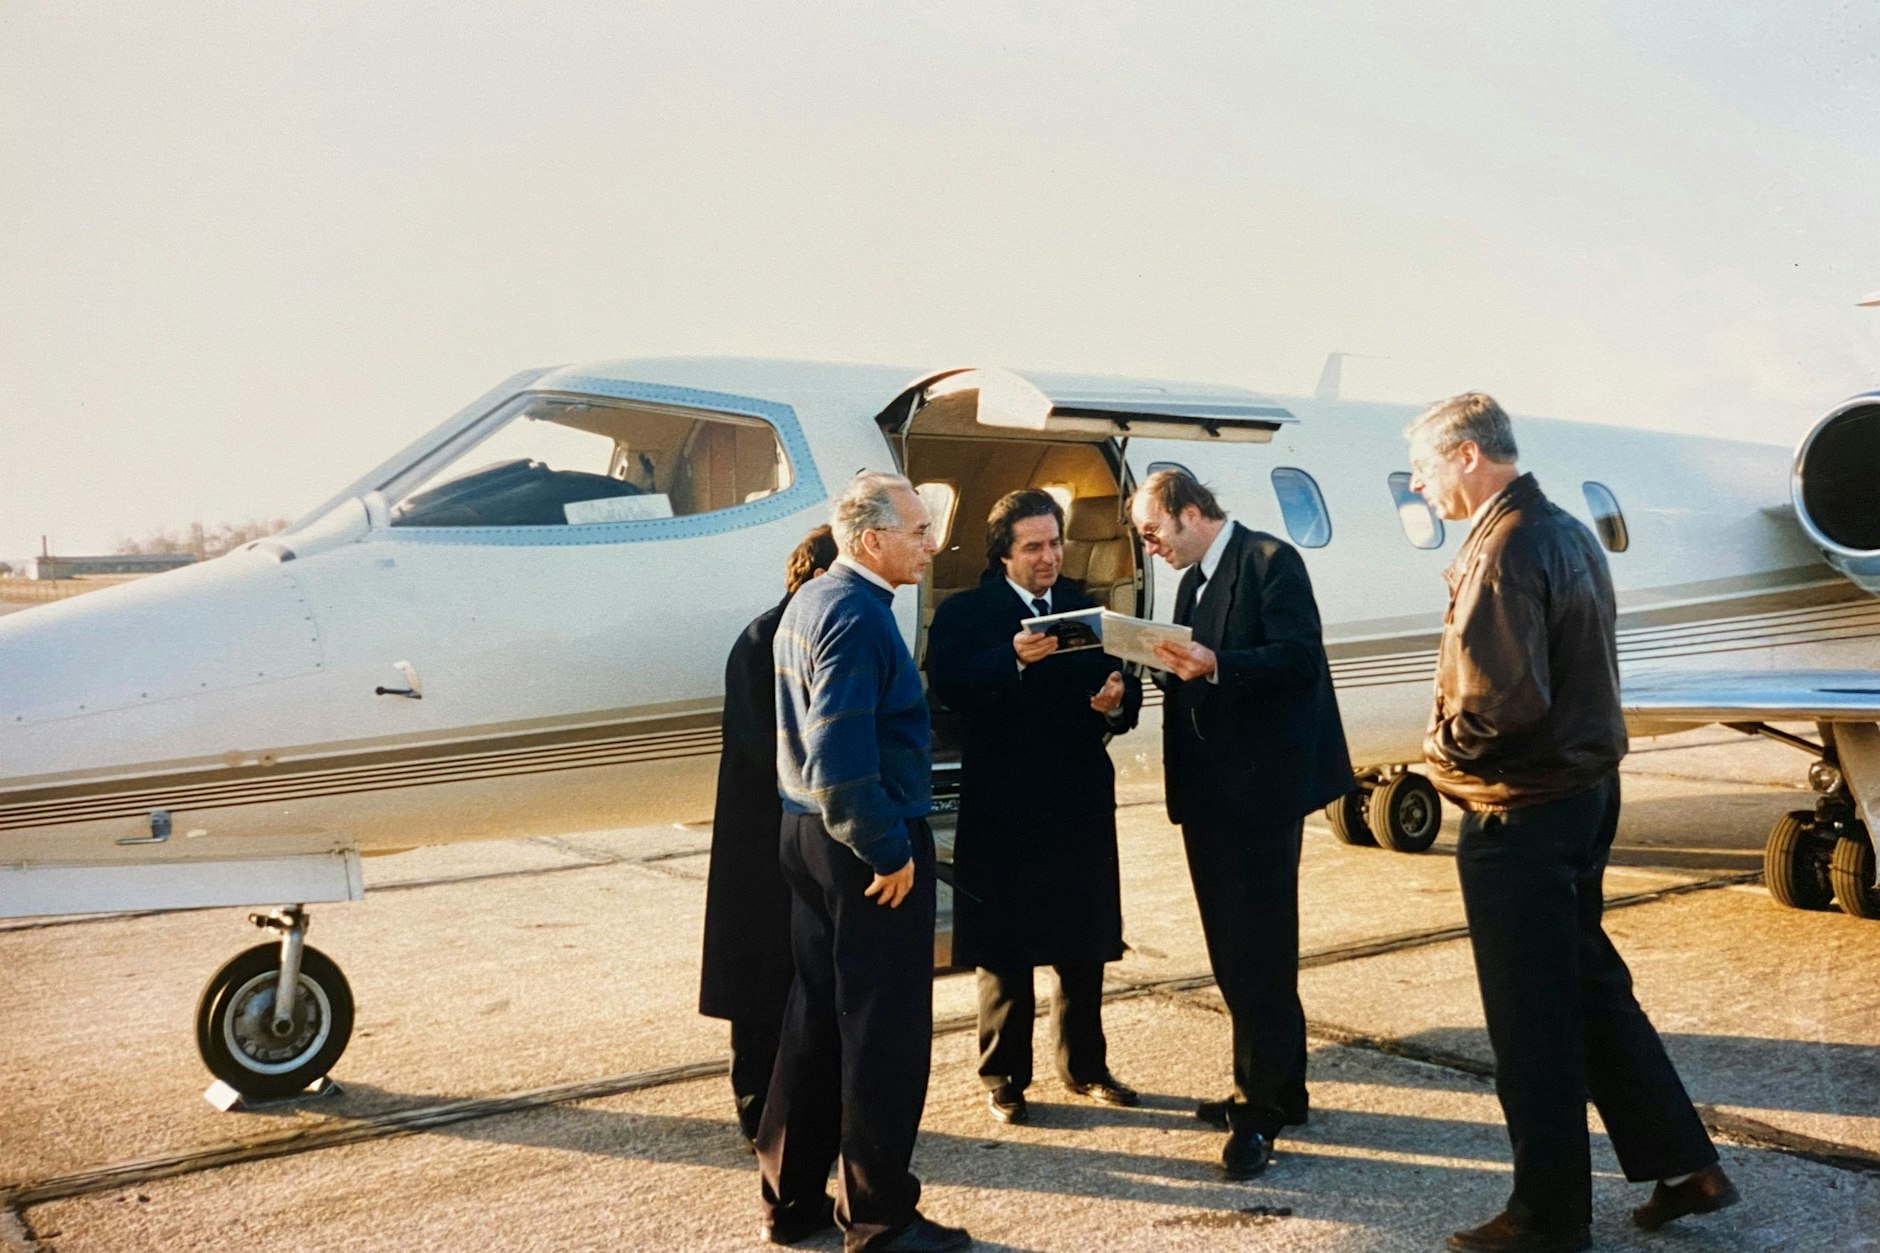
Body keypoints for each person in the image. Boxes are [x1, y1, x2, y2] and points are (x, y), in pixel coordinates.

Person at [1407, 393, 1737, 1253]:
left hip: (1521, 811)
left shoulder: (1506, 546)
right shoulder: (1563, 530)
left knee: (1532, 1024)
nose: (1419, 486)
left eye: (1425, 468)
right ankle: (1687, 1165)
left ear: (1470, 456)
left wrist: (1437, 749)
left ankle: (1547, 1216)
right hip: (1583, 795)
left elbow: (1503, 704)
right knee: (1591, 991)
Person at [757, 471, 970, 1253]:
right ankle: (881, 1221)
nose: (930, 543)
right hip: (862, 843)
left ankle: (793, 1202)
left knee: (814, 1021)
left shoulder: (809, 602)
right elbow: (840, 759)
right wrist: (887, 848)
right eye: (917, 530)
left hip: (805, 836)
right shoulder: (855, 614)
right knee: (882, 1033)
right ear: (872, 539)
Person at [1127, 468, 1353, 1181]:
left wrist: (1216, 662)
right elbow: (1197, 673)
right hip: (1211, 794)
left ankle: (1261, 1107)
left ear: (1191, 512)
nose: (1150, 546)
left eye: (1153, 530)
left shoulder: (1268, 561)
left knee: (1258, 946)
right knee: (1232, 946)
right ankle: (1281, 1086)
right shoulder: (1193, 582)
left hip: (1259, 793)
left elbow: (1296, 660)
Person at [927, 490, 1144, 1127]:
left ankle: (1086, 1067)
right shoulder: (968, 612)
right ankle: (1005, 1077)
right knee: (1005, 942)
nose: (1049, 558)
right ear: (1003, 555)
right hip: (1004, 797)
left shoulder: (1084, 606)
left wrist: (1116, 699)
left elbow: (1121, 685)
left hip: (1076, 791)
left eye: (1055, 544)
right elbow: (948, 687)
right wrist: (1009, 661)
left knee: (1084, 937)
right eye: (1034, 547)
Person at [698, 524, 838, 1145]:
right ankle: (757, 1111)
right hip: (762, 838)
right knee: (760, 982)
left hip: (791, 828)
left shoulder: (792, 632)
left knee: (798, 978)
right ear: (813, 578)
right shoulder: (766, 640)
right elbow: (766, 747)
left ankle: (797, 1108)